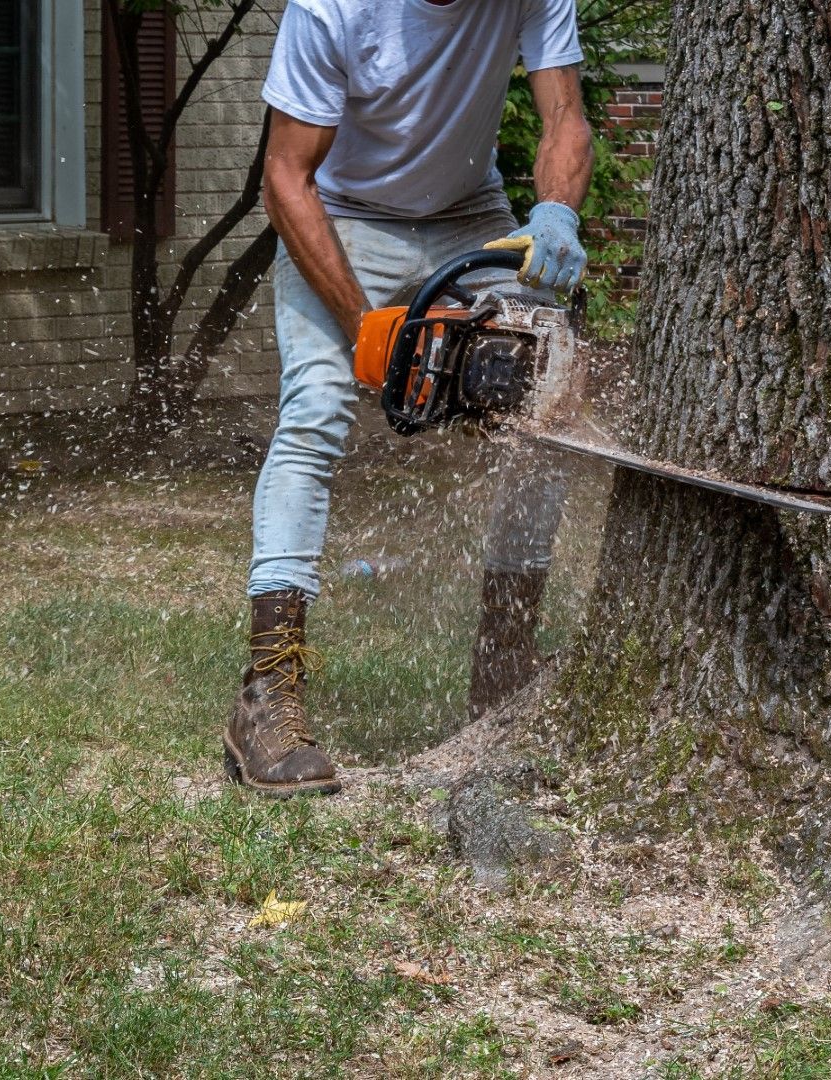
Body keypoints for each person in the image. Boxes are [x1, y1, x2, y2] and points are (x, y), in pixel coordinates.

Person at [226, 0, 593, 796]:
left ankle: (503, 674)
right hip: (342, 217)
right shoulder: (332, 8)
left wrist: (557, 211)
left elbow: (563, 113)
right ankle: (267, 698)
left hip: (472, 220)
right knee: (316, 410)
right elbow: (285, 177)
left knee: (548, 404)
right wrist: (371, 331)